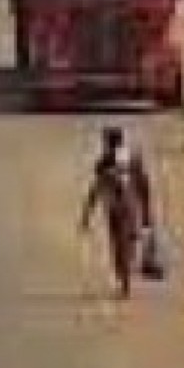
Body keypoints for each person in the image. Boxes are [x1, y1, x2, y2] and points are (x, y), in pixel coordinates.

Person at [80, 125, 155, 299]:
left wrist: (87, 214)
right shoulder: (130, 159)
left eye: (105, 141)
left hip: (118, 209)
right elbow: (143, 185)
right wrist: (146, 211)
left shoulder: (105, 162)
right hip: (127, 208)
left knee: (120, 246)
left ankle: (124, 277)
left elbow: (96, 189)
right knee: (125, 243)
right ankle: (125, 276)